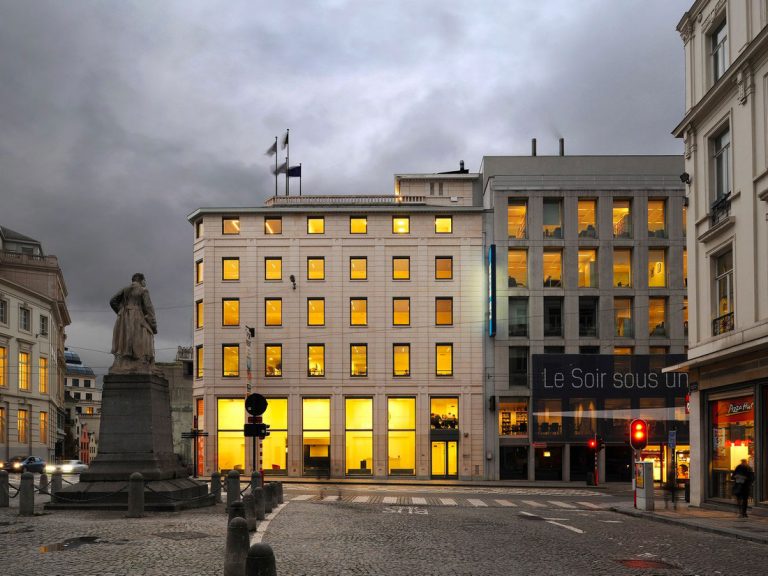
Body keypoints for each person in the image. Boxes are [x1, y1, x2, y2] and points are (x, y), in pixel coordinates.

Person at [109, 272, 158, 374]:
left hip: (124, 317)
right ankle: (139, 362)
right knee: (139, 338)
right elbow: (149, 308)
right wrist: (153, 325)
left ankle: (125, 362)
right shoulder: (143, 290)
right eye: (144, 280)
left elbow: (112, 301)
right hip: (137, 316)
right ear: (141, 280)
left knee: (125, 339)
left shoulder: (125, 289)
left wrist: (120, 311)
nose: (145, 282)